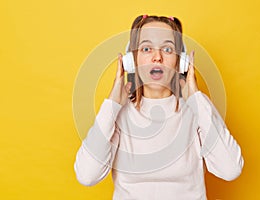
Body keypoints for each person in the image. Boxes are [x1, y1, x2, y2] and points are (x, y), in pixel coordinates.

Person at [74, 15, 244, 200]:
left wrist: (196, 99)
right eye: (147, 48)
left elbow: (230, 170)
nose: (157, 57)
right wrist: (112, 104)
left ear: (181, 62)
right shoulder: (117, 114)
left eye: (167, 49)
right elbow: (87, 175)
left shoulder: (197, 109)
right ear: (132, 60)